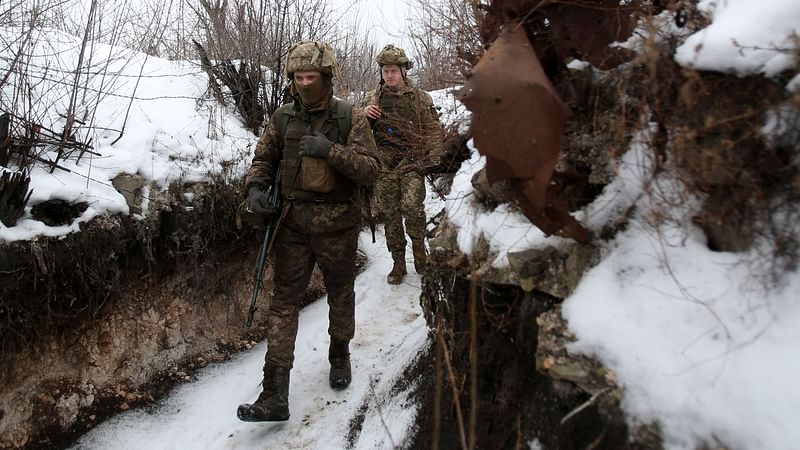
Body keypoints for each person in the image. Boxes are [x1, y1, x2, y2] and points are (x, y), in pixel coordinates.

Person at [237, 41, 382, 422]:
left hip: (338, 226)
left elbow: (371, 169)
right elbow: (263, 160)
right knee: (284, 303)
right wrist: (254, 189)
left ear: (327, 78)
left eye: (311, 77)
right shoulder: (283, 118)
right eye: (299, 77)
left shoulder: (351, 117)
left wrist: (330, 151)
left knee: (340, 294)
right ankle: (274, 393)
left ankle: (339, 355)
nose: (305, 83)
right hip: (292, 226)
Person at [362, 44, 444, 285]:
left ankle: (420, 254)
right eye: (385, 71)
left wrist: (432, 161)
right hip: (385, 167)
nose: (389, 75)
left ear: (403, 71)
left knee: (413, 209)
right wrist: (364, 115)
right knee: (390, 216)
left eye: (393, 71)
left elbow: (433, 131)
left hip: (411, 164)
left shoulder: (420, 98)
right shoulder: (373, 98)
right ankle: (398, 262)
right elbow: (357, 130)